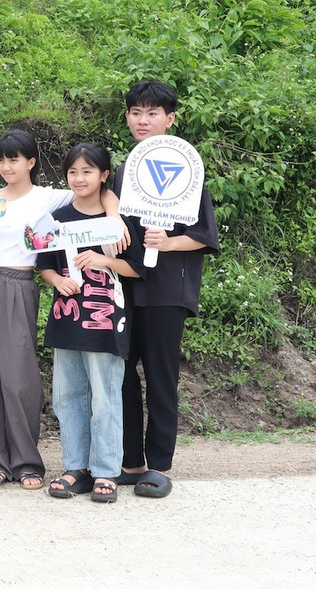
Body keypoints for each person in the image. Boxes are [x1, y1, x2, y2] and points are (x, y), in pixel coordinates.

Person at [0, 130, 121, 490]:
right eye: (1, 160)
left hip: (19, 284)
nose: (6, 166)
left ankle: (27, 462)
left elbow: (99, 190)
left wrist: (116, 216)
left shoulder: (51, 198)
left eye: (14, 159)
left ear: (31, 162)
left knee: (19, 377)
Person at [115, 79, 219, 499]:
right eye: (136, 112)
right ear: (127, 117)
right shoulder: (124, 170)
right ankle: (130, 461)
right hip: (124, 286)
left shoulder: (186, 167)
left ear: (170, 119)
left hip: (165, 291)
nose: (143, 120)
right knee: (120, 374)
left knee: (160, 377)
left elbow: (204, 234)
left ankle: (158, 466)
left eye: (152, 113)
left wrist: (169, 242)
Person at [37, 143, 143, 504]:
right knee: (68, 396)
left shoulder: (117, 222)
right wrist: (56, 281)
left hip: (107, 321)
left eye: (87, 171)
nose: (79, 178)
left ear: (103, 175)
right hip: (67, 318)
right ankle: (75, 467)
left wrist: (104, 261)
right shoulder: (59, 218)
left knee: (105, 396)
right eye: (72, 172)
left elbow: (137, 269)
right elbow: (45, 264)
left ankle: (105, 471)